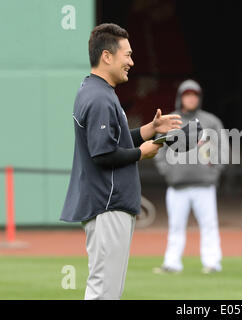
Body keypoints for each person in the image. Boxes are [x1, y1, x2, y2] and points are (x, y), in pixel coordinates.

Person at [60, 23, 181, 300]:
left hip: (107, 204)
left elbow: (113, 142)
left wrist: (149, 130)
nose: (131, 62)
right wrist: (143, 152)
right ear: (107, 56)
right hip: (107, 204)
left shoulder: (97, 91)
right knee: (104, 291)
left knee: (107, 290)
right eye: (126, 55)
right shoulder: (99, 97)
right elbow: (102, 154)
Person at [153, 79, 227, 274]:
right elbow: (157, 148)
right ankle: (172, 263)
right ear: (180, 97)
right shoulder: (171, 120)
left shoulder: (211, 121)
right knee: (175, 227)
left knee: (209, 225)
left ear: (199, 98)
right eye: (187, 95)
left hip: (204, 184)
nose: (191, 99)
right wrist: (167, 171)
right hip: (177, 185)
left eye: (194, 95)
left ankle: (212, 263)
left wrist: (214, 171)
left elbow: (223, 149)